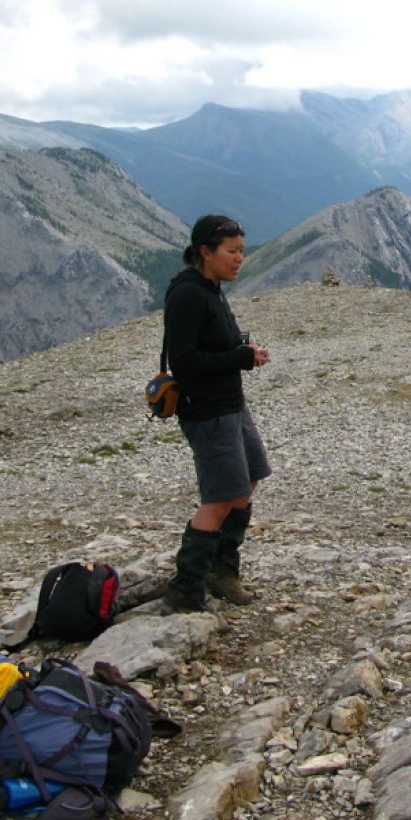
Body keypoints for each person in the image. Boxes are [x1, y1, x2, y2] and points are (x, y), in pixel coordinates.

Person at [154, 215, 272, 614]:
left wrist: (246, 352)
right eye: (231, 251)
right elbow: (184, 363)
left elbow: (212, 346)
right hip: (207, 412)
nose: (239, 259)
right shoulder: (188, 294)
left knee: (249, 478)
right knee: (221, 497)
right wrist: (240, 358)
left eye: (242, 251)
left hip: (231, 404)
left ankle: (222, 570)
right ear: (206, 251)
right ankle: (186, 587)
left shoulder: (212, 288)